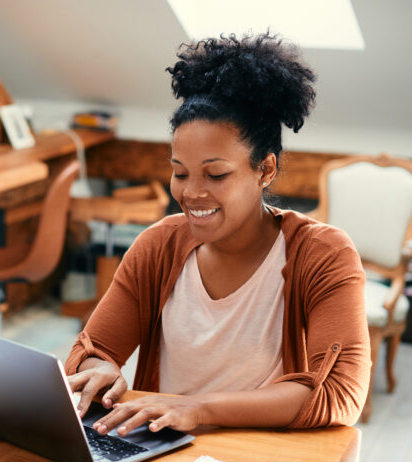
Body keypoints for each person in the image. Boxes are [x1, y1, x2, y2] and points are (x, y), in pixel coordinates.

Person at [65, 33, 370, 435]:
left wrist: (200, 409)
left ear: (265, 169)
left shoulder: (322, 255)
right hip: (163, 456)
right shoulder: (158, 247)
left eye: (216, 174)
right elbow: (91, 350)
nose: (191, 193)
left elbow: (338, 393)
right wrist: (100, 369)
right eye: (180, 172)